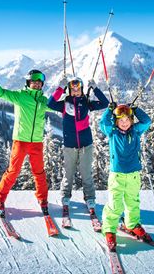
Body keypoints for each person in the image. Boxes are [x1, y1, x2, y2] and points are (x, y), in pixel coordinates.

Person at [0, 65, 52, 216]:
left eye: (40, 81)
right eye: (34, 81)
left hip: (37, 142)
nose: (37, 83)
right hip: (20, 141)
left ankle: (43, 199)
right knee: (13, 171)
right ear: (28, 82)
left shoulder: (43, 101)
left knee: (39, 173)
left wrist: (68, 94)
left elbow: (60, 107)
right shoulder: (20, 96)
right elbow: (1, 93)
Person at [47, 77, 109, 217]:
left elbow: (105, 103)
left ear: (81, 89)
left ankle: (90, 199)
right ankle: (65, 197)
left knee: (86, 174)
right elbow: (50, 103)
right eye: (72, 89)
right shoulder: (64, 104)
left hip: (86, 145)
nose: (75, 91)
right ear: (69, 90)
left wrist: (95, 88)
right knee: (68, 174)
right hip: (69, 145)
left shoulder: (86, 103)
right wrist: (60, 88)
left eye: (78, 88)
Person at [100, 103, 152, 251]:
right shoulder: (113, 132)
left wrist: (136, 109)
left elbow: (147, 121)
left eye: (127, 120)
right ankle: (109, 229)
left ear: (131, 120)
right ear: (116, 121)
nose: (124, 123)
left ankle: (132, 224)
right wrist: (109, 110)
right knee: (115, 203)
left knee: (132, 201)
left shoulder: (136, 131)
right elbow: (103, 123)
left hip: (134, 174)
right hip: (117, 174)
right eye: (121, 120)